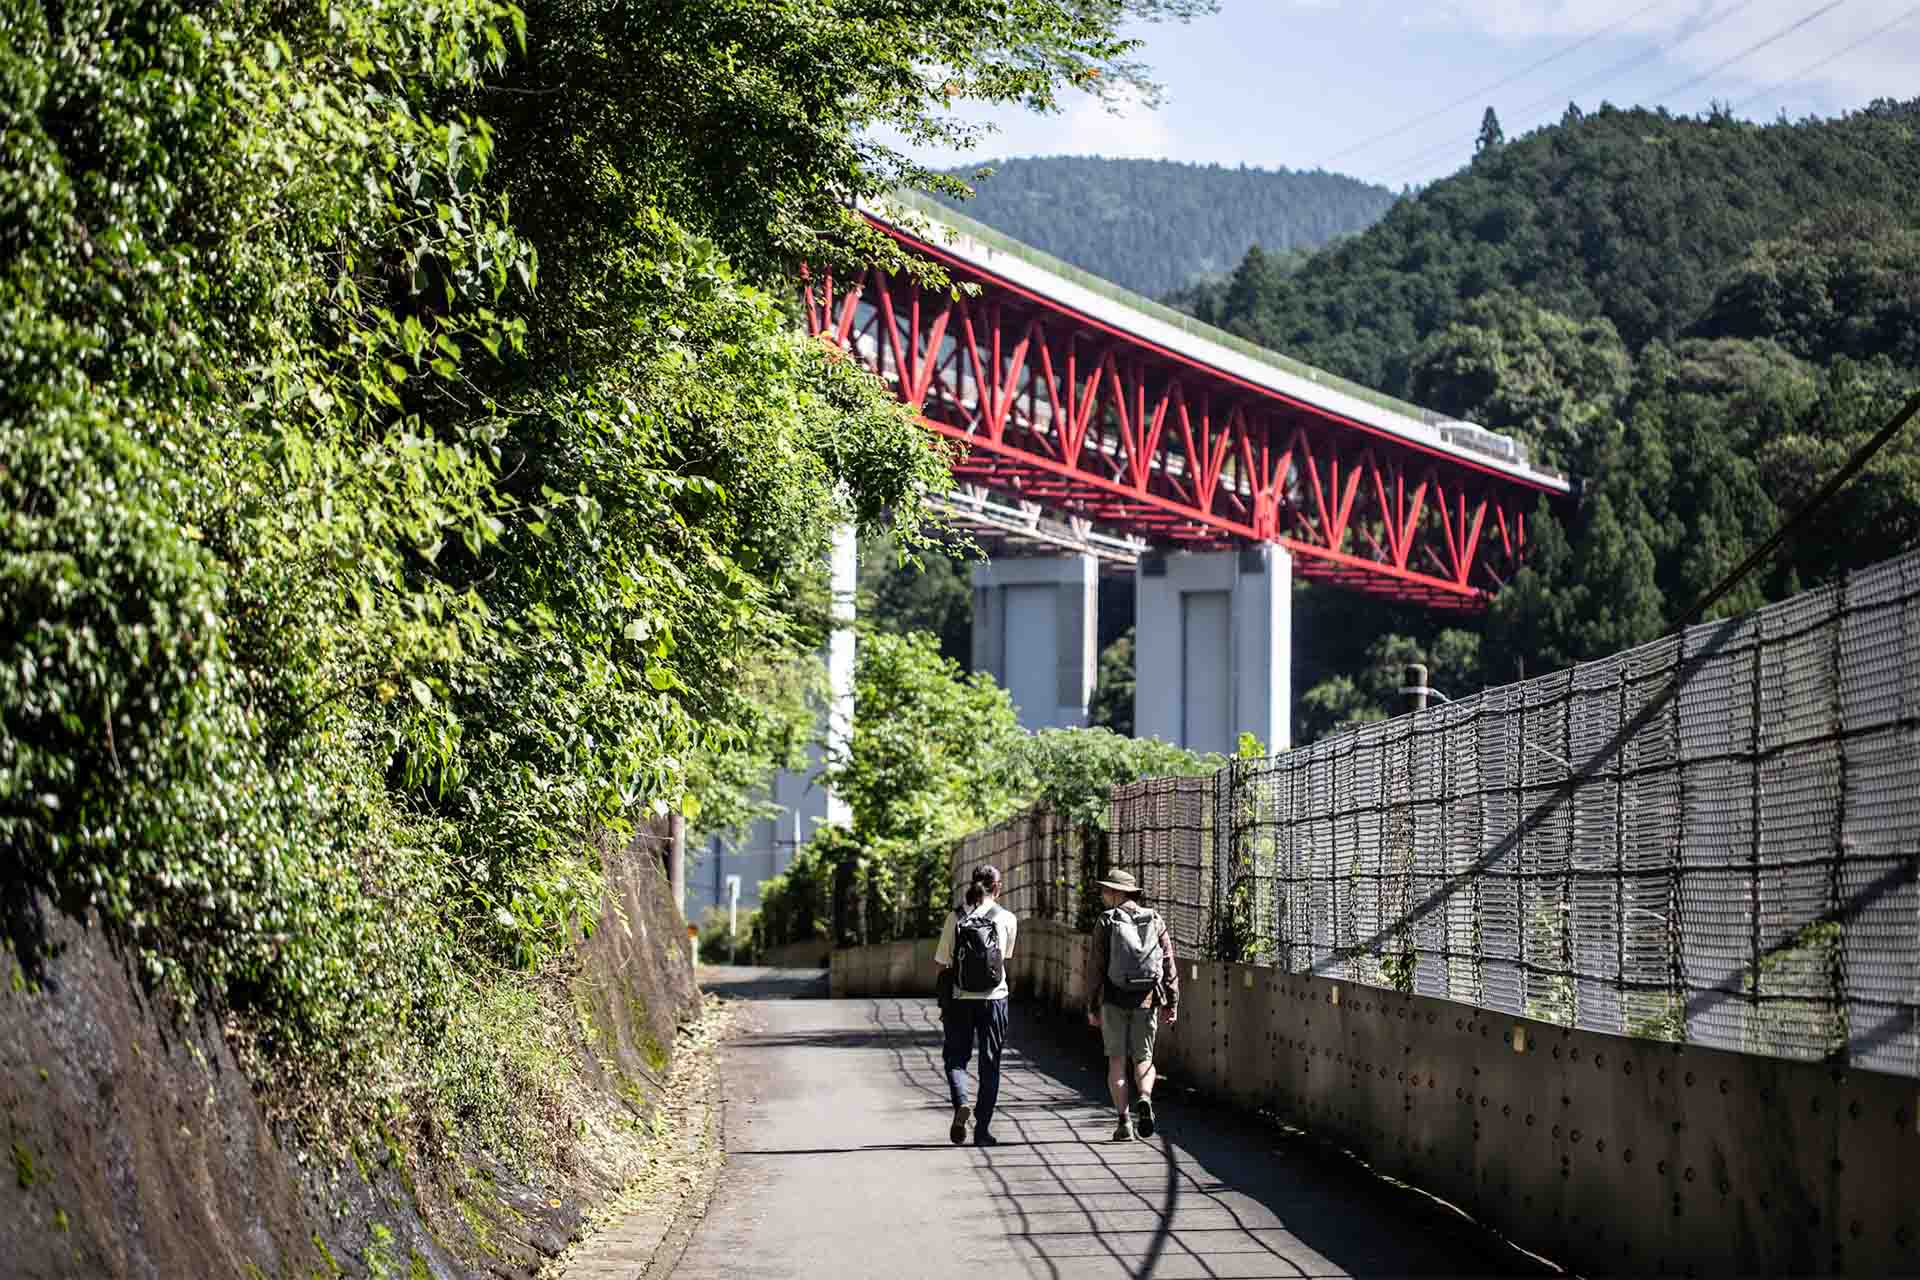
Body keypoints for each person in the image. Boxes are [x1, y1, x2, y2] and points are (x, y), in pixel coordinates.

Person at [1086, 868, 1178, 1142]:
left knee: (1116, 1062)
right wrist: (1171, 1001)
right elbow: (1168, 962)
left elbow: (1096, 967)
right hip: (1147, 999)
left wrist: (1092, 1004)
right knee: (1144, 1058)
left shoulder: (1107, 920)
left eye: (1106, 890)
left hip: (1114, 1000)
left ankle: (1124, 1121)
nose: (1103, 895)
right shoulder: (1155, 919)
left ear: (1116, 893)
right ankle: (1146, 1098)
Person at [933, 863, 1017, 1147]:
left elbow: (943, 964)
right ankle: (982, 1130)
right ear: (997, 887)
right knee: (990, 1063)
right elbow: (1004, 958)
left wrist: (944, 1002)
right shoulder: (1006, 918)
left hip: (960, 999)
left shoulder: (954, 918)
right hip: (995, 1000)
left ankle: (961, 1104)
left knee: (955, 1058)